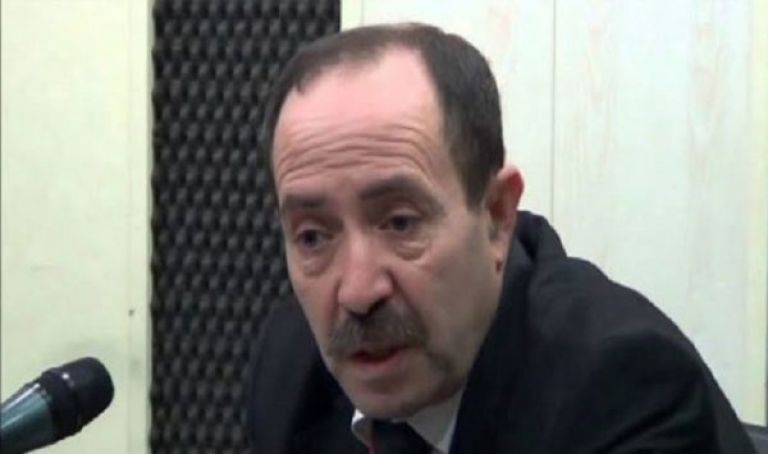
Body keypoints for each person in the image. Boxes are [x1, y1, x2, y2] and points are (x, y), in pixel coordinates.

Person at [247, 23, 755, 453]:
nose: (358, 293)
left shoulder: (624, 389)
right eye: (313, 237)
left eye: (400, 223)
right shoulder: (291, 366)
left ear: (496, 216)